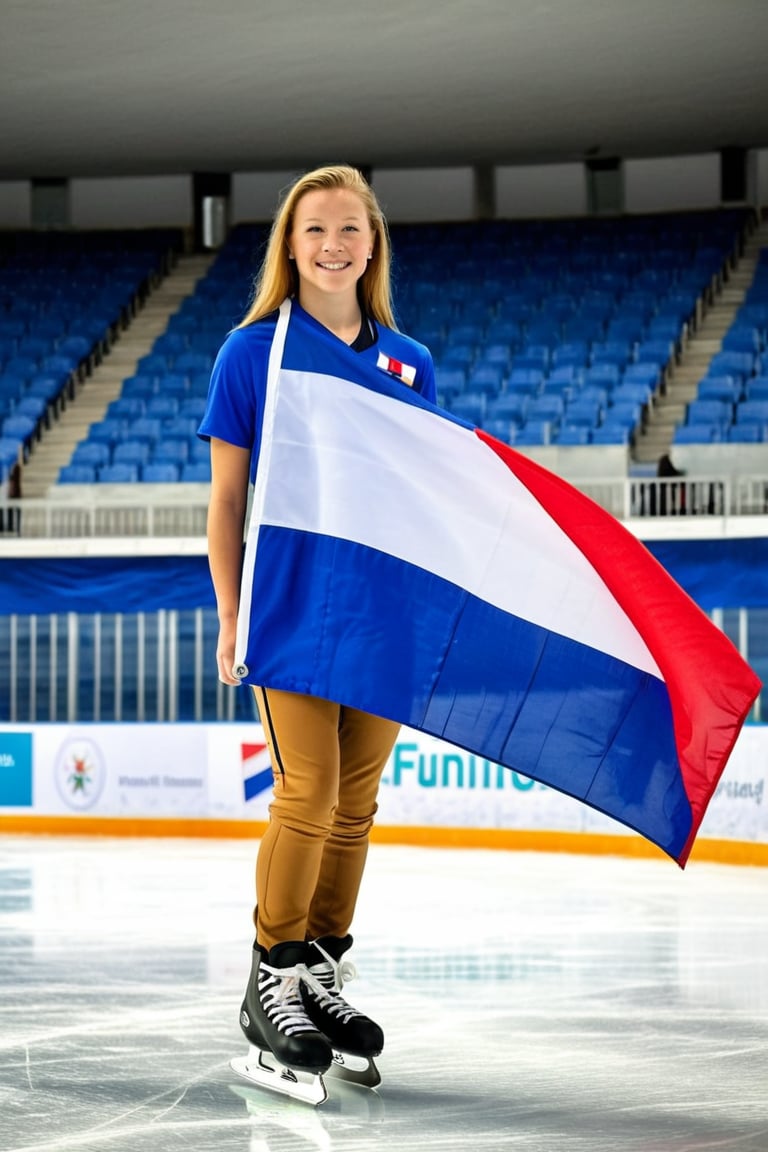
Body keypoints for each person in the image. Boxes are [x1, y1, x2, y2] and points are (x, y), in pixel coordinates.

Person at [198, 165, 436, 1087]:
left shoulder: (408, 361)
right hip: (292, 607)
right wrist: (230, 614)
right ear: (288, 247)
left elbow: (422, 496)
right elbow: (225, 500)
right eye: (314, 231)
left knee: (358, 806)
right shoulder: (250, 355)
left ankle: (322, 967)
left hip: (383, 614)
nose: (332, 244)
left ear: (372, 244)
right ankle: (272, 976)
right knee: (309, 793)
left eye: (350, 229)